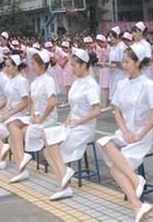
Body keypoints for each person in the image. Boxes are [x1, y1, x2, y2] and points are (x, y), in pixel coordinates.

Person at [97, 43, 153, 222]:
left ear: (137, 62)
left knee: (114, 168)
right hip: (125, 133)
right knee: (104, 142)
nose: (123, 65)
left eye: (127, 62)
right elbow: (116, 110)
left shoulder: (149, 85)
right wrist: (124, 131)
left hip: (143, 135)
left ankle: (136, 206)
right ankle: (136, 181)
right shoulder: (122, 84)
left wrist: (138, 135)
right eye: (122, 62)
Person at [42, 48, 102, 200]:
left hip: (84, 128)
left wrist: (78, 121)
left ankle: (64, 184)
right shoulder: (76, 83)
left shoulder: (91, 85)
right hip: (72, 124)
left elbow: (96, 111)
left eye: (74, 65)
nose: (72, 68)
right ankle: (64, 175)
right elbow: (74, 107)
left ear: (84, 66)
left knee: (52, 148)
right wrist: (68, 119)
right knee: (46, 143)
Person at [7, 50, 58, 183]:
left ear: (41, 65)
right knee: (12, 126)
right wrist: (33, 115)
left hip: (48, 118)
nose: (31, 66)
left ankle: (21, 167)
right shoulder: (35, 82)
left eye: (34, 63)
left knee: (15, 132)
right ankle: (21, 163)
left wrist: (40, 118)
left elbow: (52, 103)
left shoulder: (48, 80)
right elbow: (33, 102)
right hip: (37, 117)